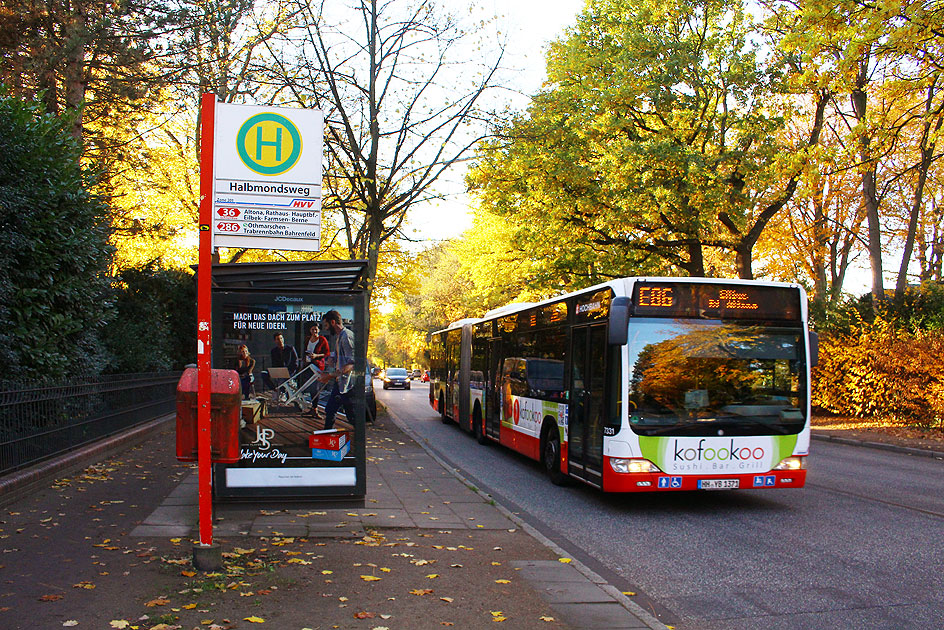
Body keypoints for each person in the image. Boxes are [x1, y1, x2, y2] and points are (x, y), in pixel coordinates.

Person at [317, 310, 356, 430]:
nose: (326, 328)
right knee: (330, 410)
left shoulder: (346, 337)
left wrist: (329, 376)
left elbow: (351, 364)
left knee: (350, 415)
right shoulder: (340, 336)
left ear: (333, 322)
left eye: (327, 325)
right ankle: (326, 438)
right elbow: (341, 355)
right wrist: (332, 358)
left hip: (348, 384)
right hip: (341, 383)